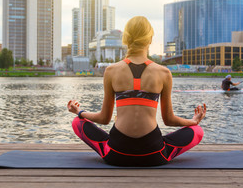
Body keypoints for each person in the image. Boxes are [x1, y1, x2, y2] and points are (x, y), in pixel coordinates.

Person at [67, 16, 206, 167]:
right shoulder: (164, 73)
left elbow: (104, 118)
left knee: (77, 123)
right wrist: (193, 121)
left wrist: (80, 112)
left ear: (126, 39)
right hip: (153, 154)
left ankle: (106, 147)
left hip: (116, 154)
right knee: (197, 131)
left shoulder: (111, 71)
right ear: (150, 39)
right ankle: (164, 148)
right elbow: (169, 120)